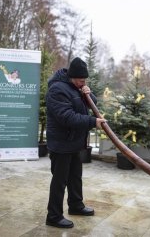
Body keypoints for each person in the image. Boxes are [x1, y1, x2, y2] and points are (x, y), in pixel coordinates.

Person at [45, 57, 106, 228]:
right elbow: (66, 116)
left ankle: (76, 206)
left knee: (75, 178)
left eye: (85, 79)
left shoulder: (76, 87)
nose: (83, 82)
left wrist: (88, 93)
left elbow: (92, 103)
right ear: (72, 76)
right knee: (60, 181)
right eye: (81, 79)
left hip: (74, 142)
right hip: (61, 144)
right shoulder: (57, 89)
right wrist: (92, 122)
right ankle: (54, 216)